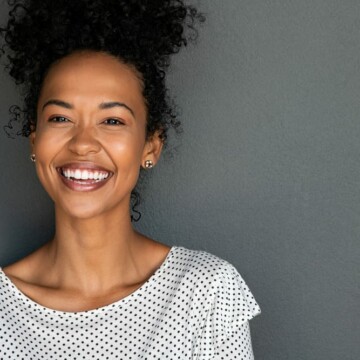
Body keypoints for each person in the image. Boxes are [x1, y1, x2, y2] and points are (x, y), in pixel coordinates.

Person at [0, 0, 261, 359]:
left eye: (113, 121)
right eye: (60, 118)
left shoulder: (206, 293)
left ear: (150, 146)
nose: (83, 144)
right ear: (35, 138)